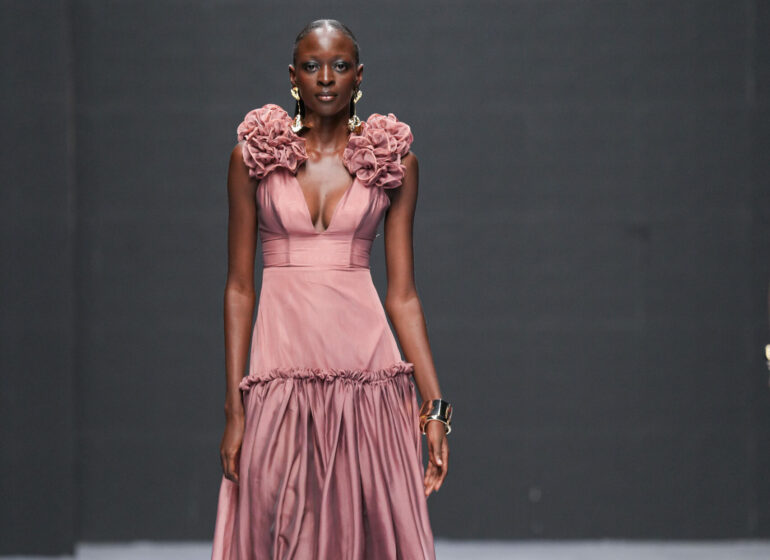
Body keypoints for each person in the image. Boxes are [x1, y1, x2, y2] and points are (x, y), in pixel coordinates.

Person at [210, 19, 452, 560]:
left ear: (358, 76)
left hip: (366, 379)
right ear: (292, 75)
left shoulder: (393, 163)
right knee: (280, 531)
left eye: (339, 66)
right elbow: (240, 287)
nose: (325, 78)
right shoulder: (253, 158)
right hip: (280, 373)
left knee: (362, 537)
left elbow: (403, 295)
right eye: (312, 66)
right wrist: (234, 407)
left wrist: (435, 407)